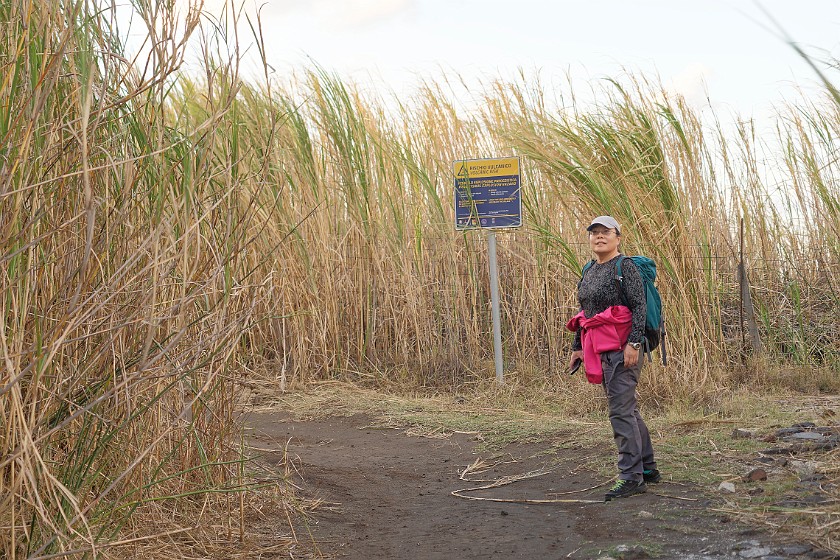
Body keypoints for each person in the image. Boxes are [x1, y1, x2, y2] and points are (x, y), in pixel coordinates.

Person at [566, 216, 660, 501]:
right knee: (626, 409)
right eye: (594, 233)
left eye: (606, 232)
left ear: (618, 238)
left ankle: (631, 477)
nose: (599, 237)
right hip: (598, 346)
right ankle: (647, 469)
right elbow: (587, 312)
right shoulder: (590, 269)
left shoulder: (625, 267)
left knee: (620, 411)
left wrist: (633, 343)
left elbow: (638, 306)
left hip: (623, 348)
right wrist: (577, 347)